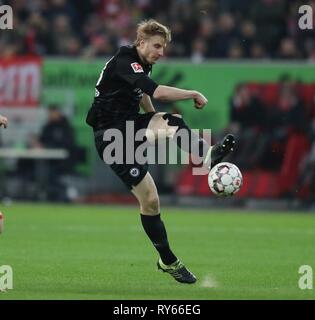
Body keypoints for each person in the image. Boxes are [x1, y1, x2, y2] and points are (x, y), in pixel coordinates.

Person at [86, 19, 235, 284]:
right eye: (157, 46)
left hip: (129, 130)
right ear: (141, 42)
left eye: (163, 47)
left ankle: (207, 156)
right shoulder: (125, 59)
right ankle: (168, 259)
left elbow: (143, 94)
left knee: (172, 122)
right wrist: (191, 93)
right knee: (151, 202)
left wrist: (155, 124)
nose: (161, 52)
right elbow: (156, 91)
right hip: (110, 138)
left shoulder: (143, 65)